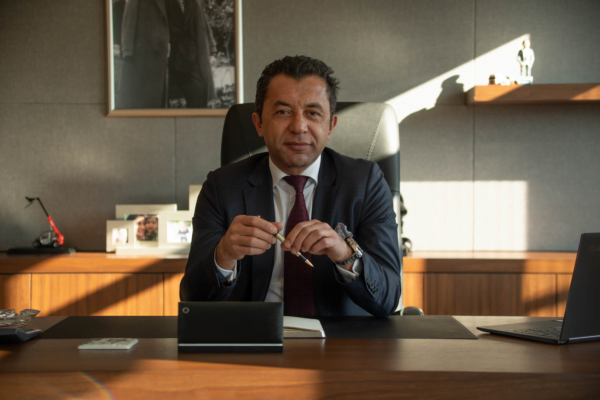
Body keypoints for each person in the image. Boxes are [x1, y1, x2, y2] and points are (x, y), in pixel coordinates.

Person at [180, 56, 401, 317]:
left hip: (340, 337)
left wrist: (345, 254)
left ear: (330, 126)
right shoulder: (221, 187)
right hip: (255, 334)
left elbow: (388, 298)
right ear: (258, 124)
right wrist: (223, 255)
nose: (298, 127)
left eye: (313, 113)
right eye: (283, 112)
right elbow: (193, 300)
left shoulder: (365, 183)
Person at [118, 0, 217, 108]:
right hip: (156, 51)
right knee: (155, 99)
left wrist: (211, 47)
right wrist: (127, 48)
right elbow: (131, 10)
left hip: (185, 54)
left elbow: (200, 16)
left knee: (199, 89)